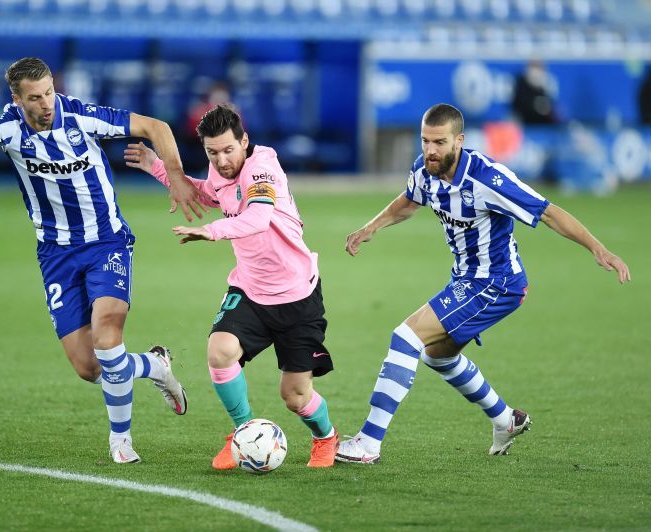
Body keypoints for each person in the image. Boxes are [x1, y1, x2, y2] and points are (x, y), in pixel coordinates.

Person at [0, 57, 211, 464]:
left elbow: (156, 127)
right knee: (89, 367)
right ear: (16, 98)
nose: (46, 103)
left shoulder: (81, 116)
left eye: (49, 92)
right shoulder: (8, 127)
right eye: (35, 97)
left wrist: (175, 176)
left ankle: (121, 443)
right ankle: (155, 366)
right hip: (55, 255)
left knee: (107, 339)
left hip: (107, 243)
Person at [336, 103, 630, 464]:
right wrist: (370, 228)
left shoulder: (488, 179)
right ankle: (505, 419)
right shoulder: (424, 169)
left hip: (496, 282)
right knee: (437, 355)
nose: (430, 150)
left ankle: (368, 443)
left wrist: (597, 248)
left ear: (459, 140)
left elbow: (548, 211)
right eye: (425, 141)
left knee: (406, 337)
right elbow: (410, 201)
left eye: (440, 142)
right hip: (466, 277)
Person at [124, 104, 339, 468]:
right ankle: (243, 433)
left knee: (296, 396)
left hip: (296, 296)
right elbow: (211, 194)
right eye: (212, 152)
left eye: (228, 150)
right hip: (250, 290)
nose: (222, 160)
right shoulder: (220, 169)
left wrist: (211, 232)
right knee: (219, 350)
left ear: (245, 141)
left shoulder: (262, 169)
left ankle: (326, 437)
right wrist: (157, 167)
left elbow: (257, 217)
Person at [511, 60, 558, 125]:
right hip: (525, 123)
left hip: (542, 124)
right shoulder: (521, 84)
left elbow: (548, 109)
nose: (536, 72)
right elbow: (519, 106)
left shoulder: (543, 86)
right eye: (534, 67)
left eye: (539, 68)